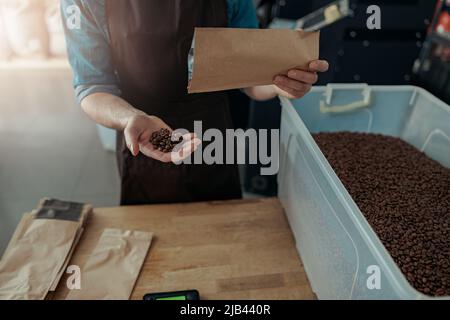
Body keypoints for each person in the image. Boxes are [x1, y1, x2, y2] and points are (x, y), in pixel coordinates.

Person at [61, 0, 329, 205]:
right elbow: (91, 86)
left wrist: (278, 82)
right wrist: (129, 118)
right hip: (142, 137)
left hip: (214, 136)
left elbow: (247, 75)